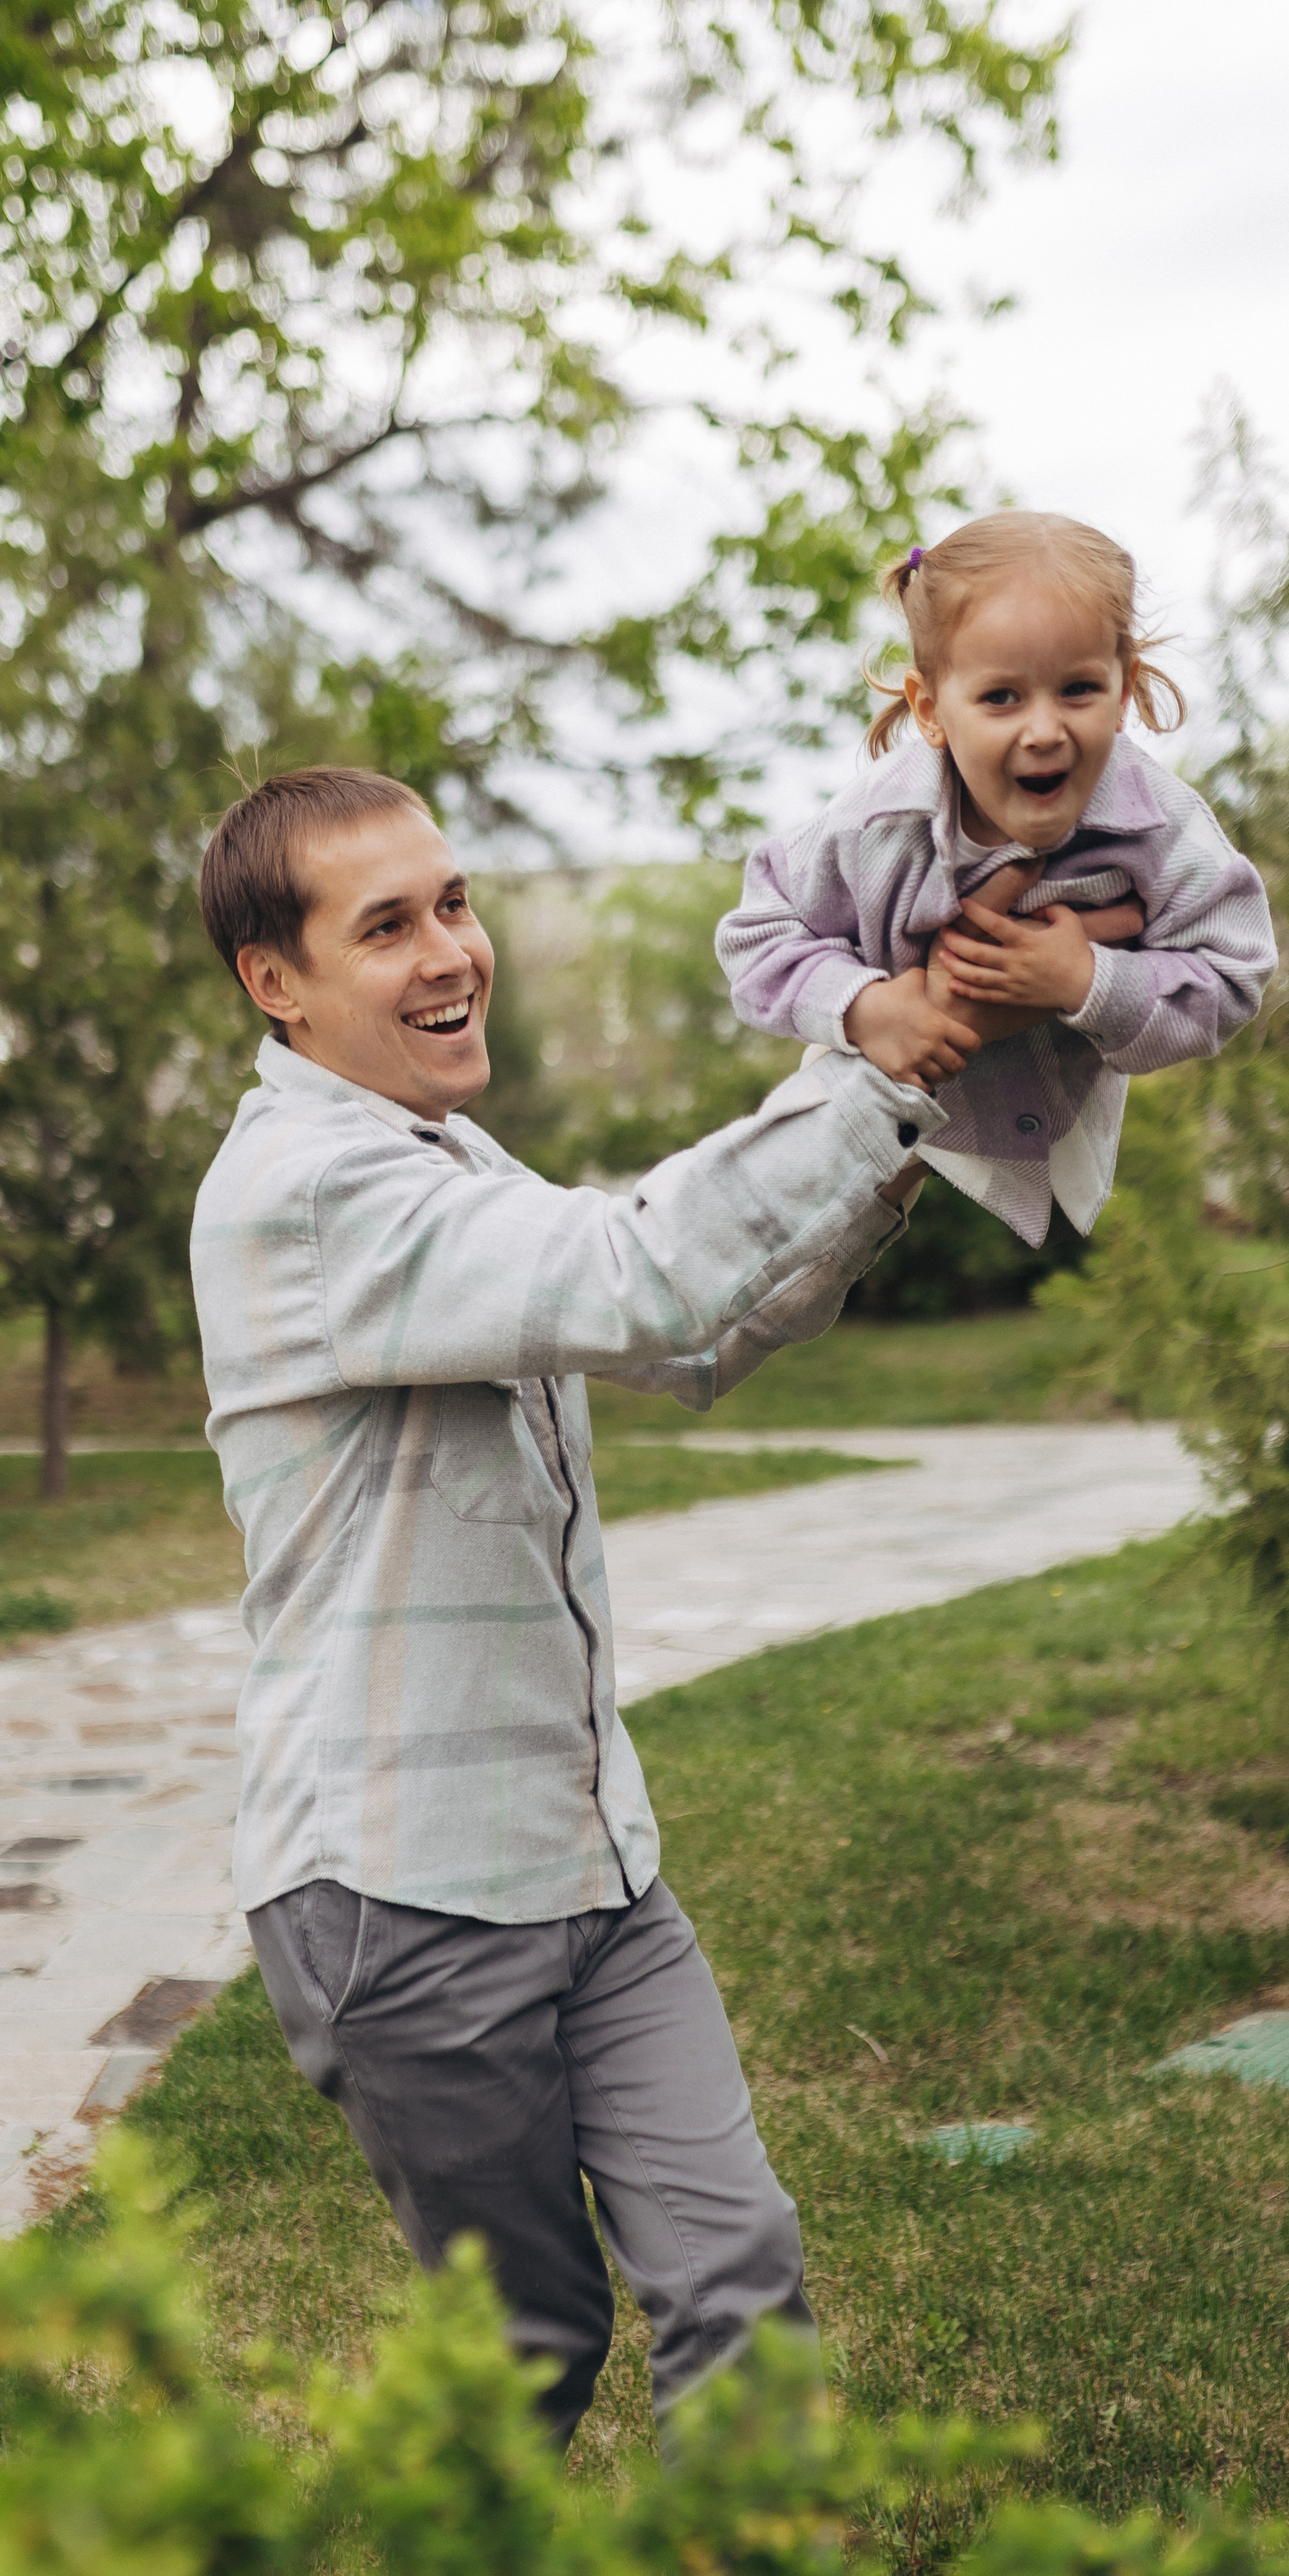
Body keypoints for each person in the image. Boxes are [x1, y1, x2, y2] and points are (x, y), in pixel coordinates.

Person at [188, 765, 941, 2447]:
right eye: (385, 926)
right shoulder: (308, 1192)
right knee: (526, 2350)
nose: (451, 950)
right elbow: (638, 1273)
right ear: (277, 982)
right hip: (407, 1895)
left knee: (736, 2269)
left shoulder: (440, 1154)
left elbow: (676, 1337)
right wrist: (867, 1055)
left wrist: (889, 1139)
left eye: (452, 903)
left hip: (591, 1863)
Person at [715, 510, 1278, 1246]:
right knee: (774, 1248)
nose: (1043, 730)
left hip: (1053, 1107)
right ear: (930, 709)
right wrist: (867, 1009)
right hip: (876, 1078)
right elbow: (758, 931)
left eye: (1078, 689)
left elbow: (1234, 975)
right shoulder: (876, 828)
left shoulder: (1163, 830)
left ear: (1126, 687)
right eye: (1002, 698)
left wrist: (1085, 980)